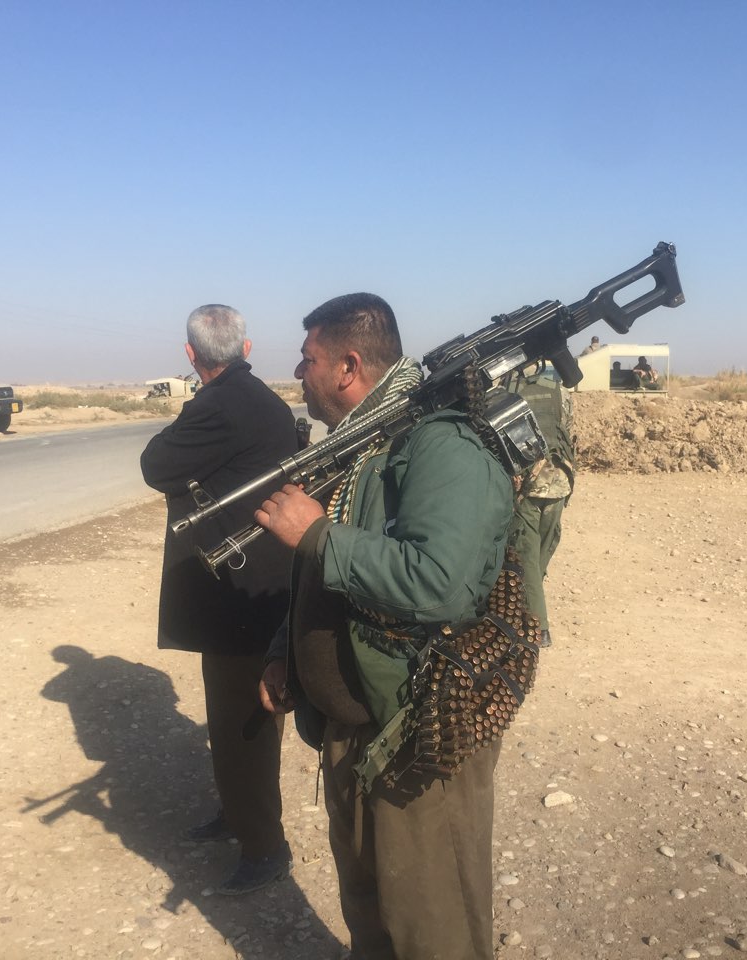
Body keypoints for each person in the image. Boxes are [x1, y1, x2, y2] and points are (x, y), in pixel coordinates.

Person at [256, 293, 514, 960]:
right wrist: (286, 650)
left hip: (419, 730)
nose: (296, 370)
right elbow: (331, 568)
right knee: (370, 916)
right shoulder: (356, 446)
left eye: (306, 358)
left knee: (433, 927)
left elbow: (440, 581)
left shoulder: (440, 442)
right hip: (355, 727)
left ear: (346, 366)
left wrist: (315, 534)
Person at [139, 304, 298, 895]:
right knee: (232, 718)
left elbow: (155, 464)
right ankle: (237, 815)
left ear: (190, 354)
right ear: (246, 346)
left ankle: (265, 846)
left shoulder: (220, 404)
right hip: (246, 583)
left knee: (246, 722)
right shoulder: (256, 397)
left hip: (240, 591)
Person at [507, 365, 574, 647]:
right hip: (560, 481)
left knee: (529, 557)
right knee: (540, 552)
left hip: (528, 485)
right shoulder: (561, 393)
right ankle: (536, 613)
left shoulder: (508, 392)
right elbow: (568, 433)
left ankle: (537, 625)